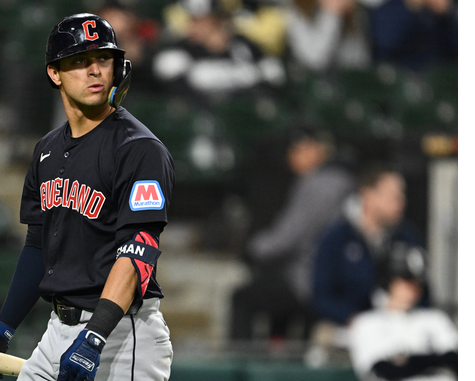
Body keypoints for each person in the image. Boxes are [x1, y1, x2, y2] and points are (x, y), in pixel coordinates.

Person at [0, 13, 176, 381]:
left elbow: (138, 253)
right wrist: (3, 328)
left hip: (119, 334)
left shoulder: (140, 149)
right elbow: (38, 247)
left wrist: (95, 336)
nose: (95, 69)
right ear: (55, 73)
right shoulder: (46, 150)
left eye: (103, 58)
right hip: (56, 333)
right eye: (79, 60)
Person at [230, 127, 355, 341]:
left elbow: (287, 239)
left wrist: (252, 248)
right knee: (275, 297)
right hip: (328, 276)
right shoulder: (341, 180)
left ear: (316, 149)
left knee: (242, 298)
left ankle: (239, 366)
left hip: (312, 279)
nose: (293, 157)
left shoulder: (320, 184)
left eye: (298, 150)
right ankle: (277, 354)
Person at [348, 243, 457, 381]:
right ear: (389, 280)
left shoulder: (434, 319)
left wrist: (409, 360)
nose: (413, 289)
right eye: (406, 281)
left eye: (418, 283)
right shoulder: (367, 323)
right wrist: (436, 359)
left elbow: (456, 360)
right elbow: (383, 370)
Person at [310, 163, 426, 329]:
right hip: (346, 330)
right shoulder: (336, 238)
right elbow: (321, 297)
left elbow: (424, 292)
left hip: (400, 327)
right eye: (393, 196)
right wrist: (354, 319)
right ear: (368, 196)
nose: (401, 202)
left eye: (402, 195)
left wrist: (408, 302)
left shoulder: (407, 237)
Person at [152, 0, 286, 102]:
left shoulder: (244, 46)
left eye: (201, 20)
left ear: (218, 20)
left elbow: (275, 75)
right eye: (192, 20)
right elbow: (180, 99)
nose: (193, 26)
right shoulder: (177, 53)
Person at [284, 0, 372, 72]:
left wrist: (345, 15)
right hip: (310, 87)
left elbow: (359, 62)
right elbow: (314, 62)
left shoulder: (353, 11)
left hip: (347, 87)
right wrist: (332, 14)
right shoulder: (294, 9)